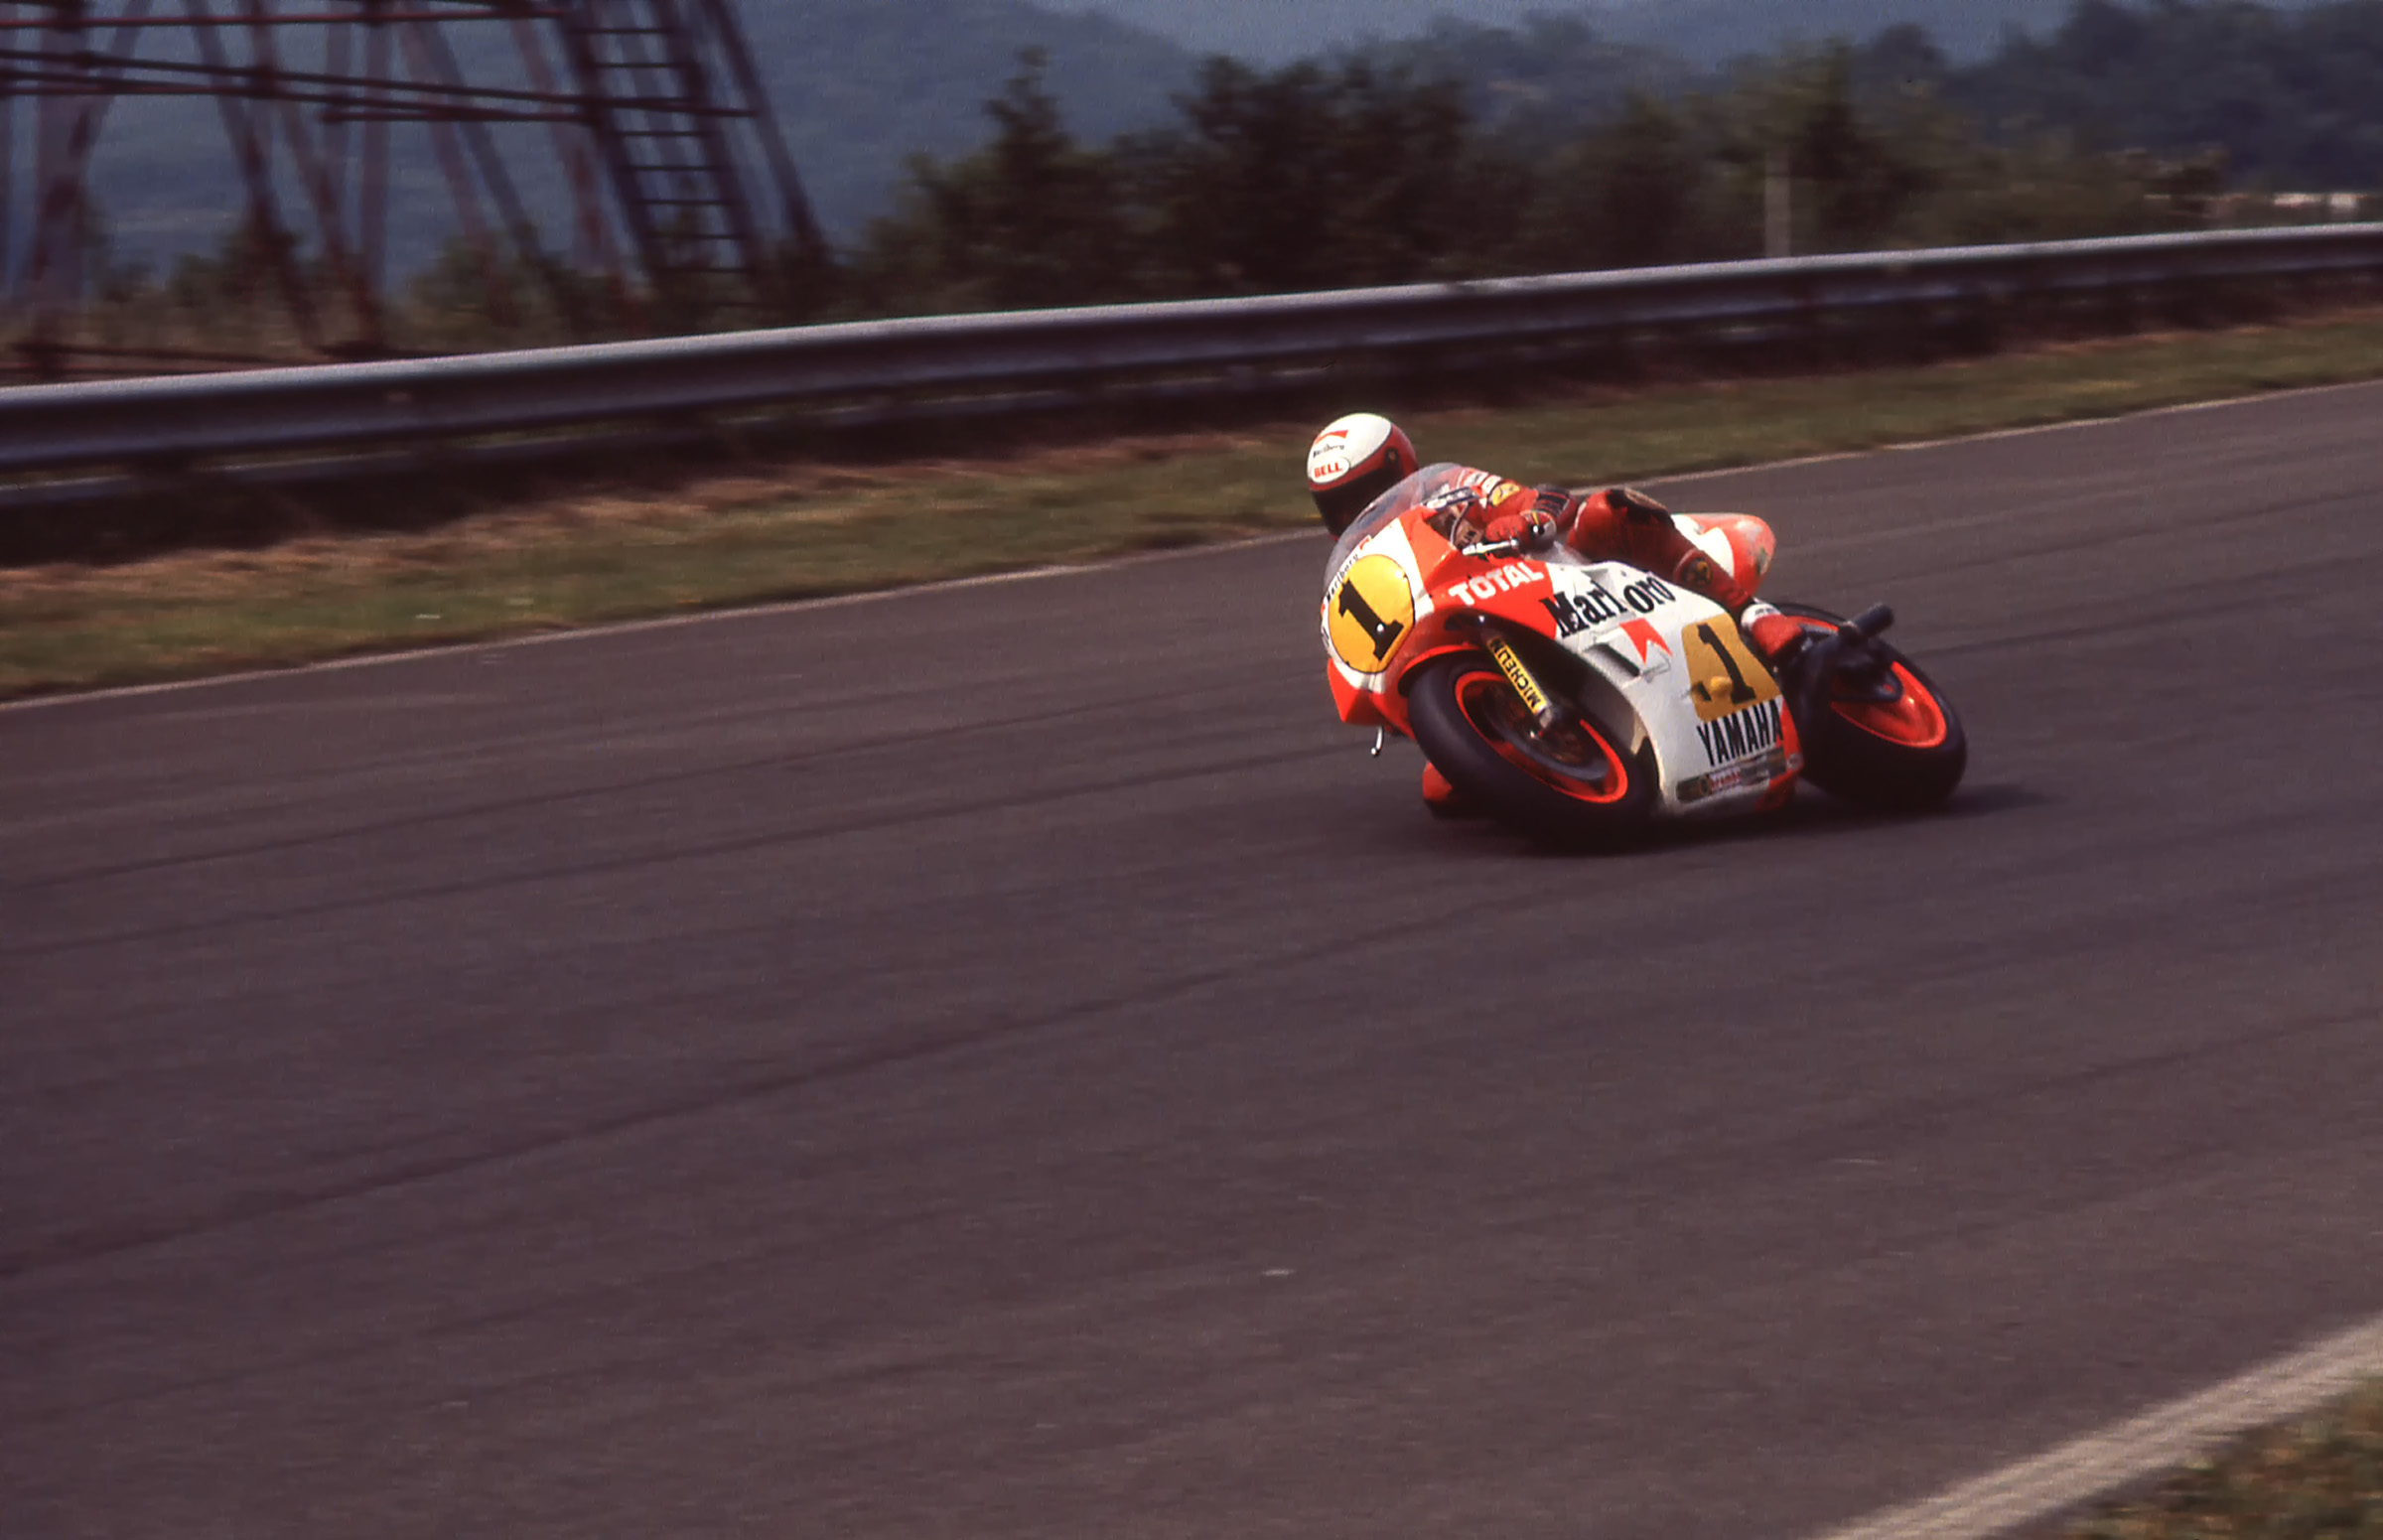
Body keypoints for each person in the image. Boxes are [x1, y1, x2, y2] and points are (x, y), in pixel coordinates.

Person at [1307, 411, 1806, 810]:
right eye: (1341, 508)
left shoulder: (1448, 489)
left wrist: (1525, 520)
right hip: (1486, 636)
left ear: (1401, 469)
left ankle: (1754, 616)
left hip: (1580, 586)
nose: (1358, 514)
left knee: (1607, 509)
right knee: (1444, 791)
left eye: (1367, 493)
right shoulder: (1372, 571)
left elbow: (1549, 500)